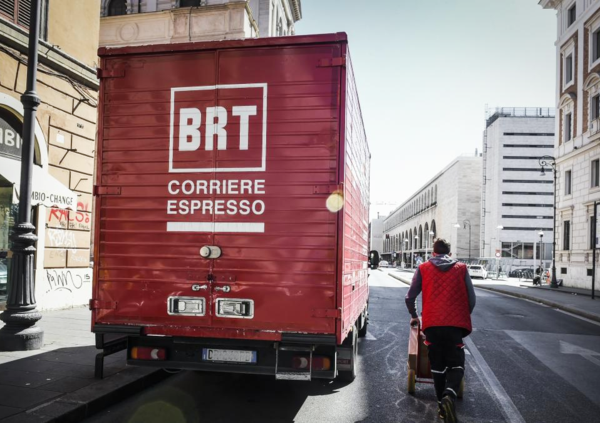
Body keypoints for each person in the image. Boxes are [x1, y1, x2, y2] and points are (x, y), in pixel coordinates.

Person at [405, 238, 476, 423]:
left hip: (432, 326)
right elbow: (472, 299)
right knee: (456, 364)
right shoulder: (461, 268)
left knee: (437, 366)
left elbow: (410, 296)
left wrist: (414, 315)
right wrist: (462, 315)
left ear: (433, 253)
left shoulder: (423, 268)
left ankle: (440, 405)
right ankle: (449, 395)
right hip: (455, 327)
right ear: (449, 253)